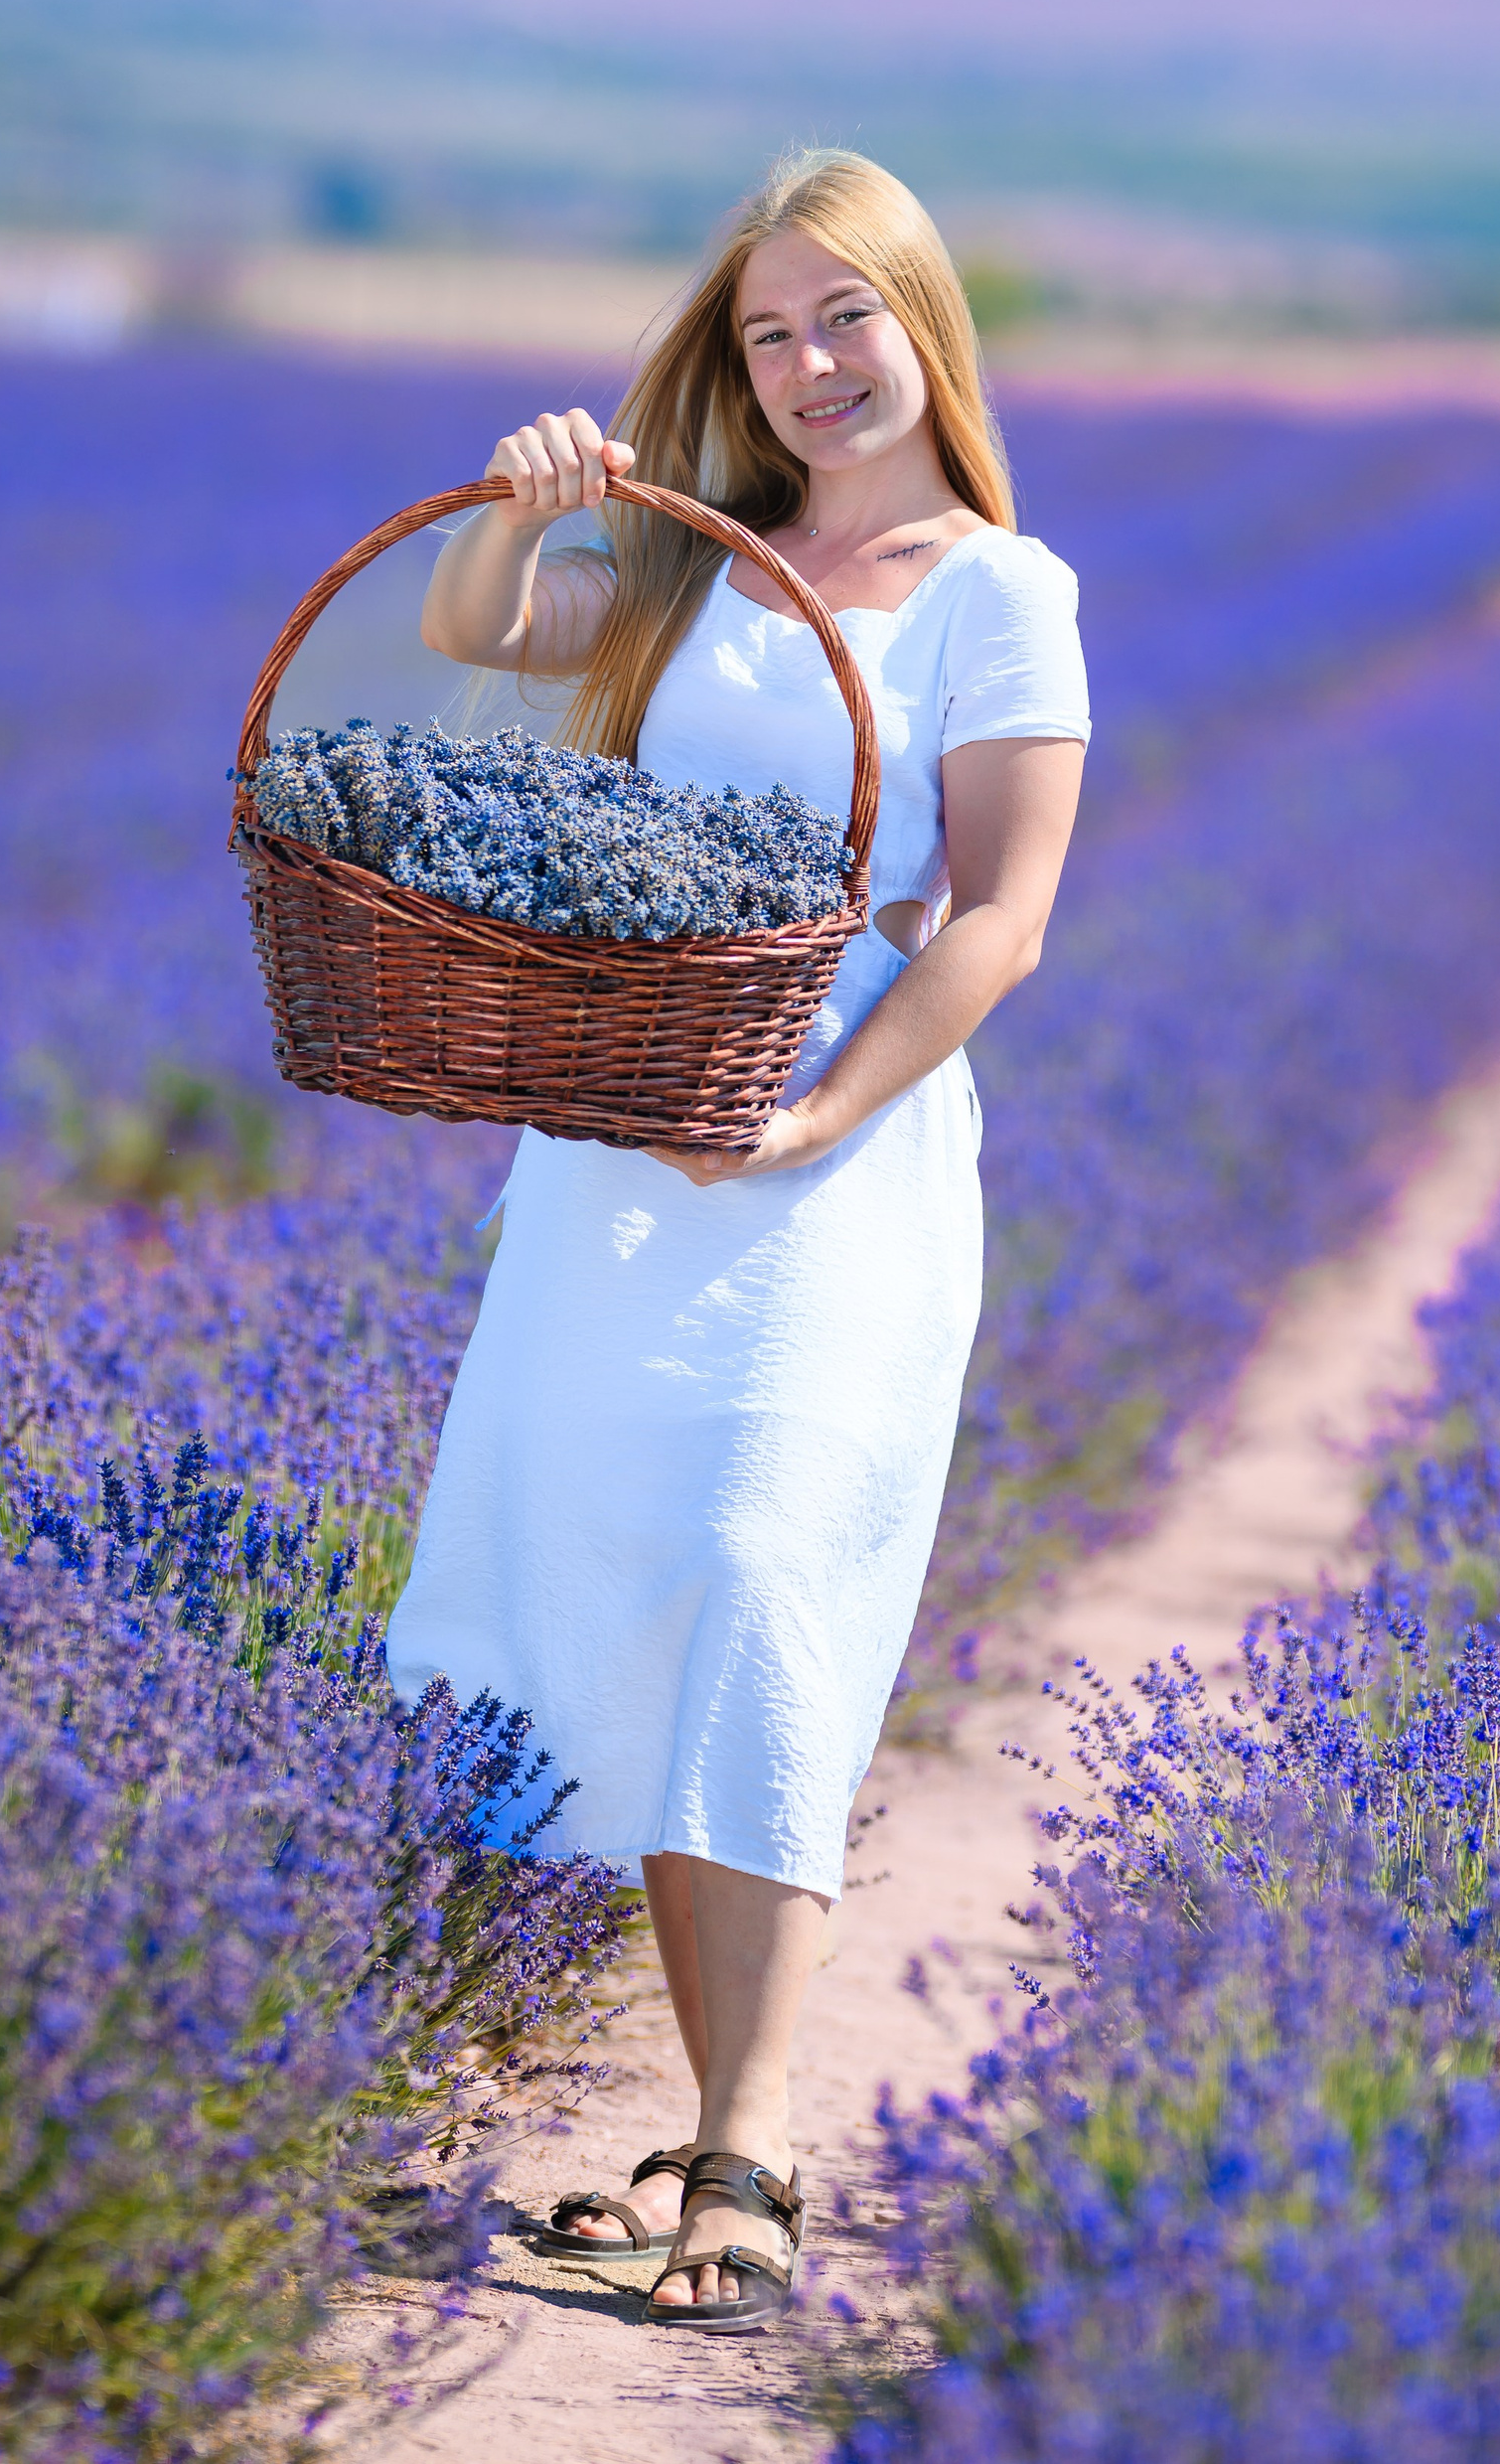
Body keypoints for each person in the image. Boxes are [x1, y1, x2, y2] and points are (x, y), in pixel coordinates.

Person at [382, 149, 1089, 2332]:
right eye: (768, 333)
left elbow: (999, 919)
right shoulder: (701, 560)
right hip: (614, 1150)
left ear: (922, 327)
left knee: (771, 1578)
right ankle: (692, 2117)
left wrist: (809, 1123)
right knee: (620, 1584)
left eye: (842, 320)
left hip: (836, 1166)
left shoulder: (996, 589)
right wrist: (525, 496)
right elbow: (479, 631)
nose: (805, 367)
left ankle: (755, 2137)